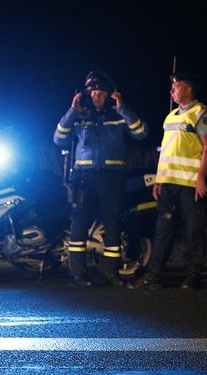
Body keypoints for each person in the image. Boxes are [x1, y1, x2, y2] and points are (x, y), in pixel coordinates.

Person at [53, 71, 148, 287]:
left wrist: (123, 108)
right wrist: (72, 111)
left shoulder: (118, 115)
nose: (96, 94)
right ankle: (78, 273)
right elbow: (58, 139)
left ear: (109, 94)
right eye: (92, 91)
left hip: (112, 178)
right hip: (83, 178)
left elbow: (141, 132)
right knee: (79, 225)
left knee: (112, 225)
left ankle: (110, 271)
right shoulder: (79, 115)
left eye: (100, 91)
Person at [129, 70, 207, 290]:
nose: (171, 91)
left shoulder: (201, 113)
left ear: (188, 88)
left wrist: (201, 178)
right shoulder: (170, 117)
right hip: (168, 185)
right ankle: (153, 276)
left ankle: (193, 276)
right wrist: (159, 181)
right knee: (163, 232)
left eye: (176, 87)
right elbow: (166, 152)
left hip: (191, 185)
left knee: (194, 231)